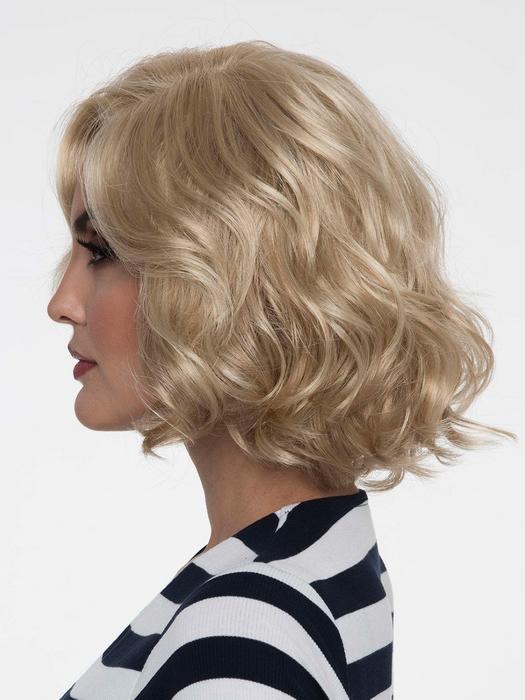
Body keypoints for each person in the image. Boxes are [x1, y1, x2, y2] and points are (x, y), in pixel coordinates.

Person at [47, 39, 516, 700]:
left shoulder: (242, 632)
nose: (61, 303)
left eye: (102, 252)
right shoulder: (316, 558)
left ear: (229, 278)